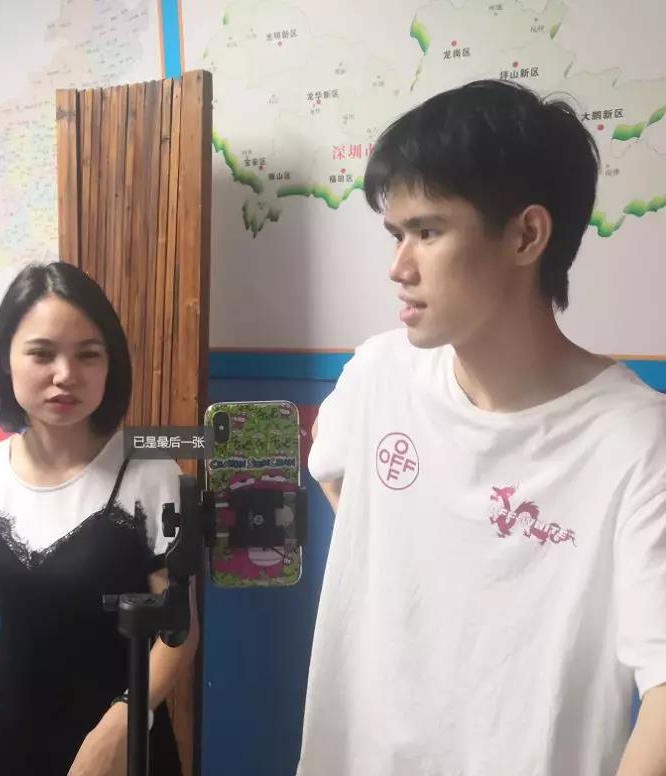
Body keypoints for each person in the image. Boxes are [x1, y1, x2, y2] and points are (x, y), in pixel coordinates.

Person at [298, 79, 666, 775]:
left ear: (527, 235)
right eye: (395, 235)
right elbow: (334, 468)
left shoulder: (637, 440)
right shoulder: (378, 374)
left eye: (428, 232)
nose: (398, 267)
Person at [0, 261, 197, 776]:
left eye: (88, 354)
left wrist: (121, 725)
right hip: (12, 744)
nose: (65, 375)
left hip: (127, 749)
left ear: (111, 365)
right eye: (41, 353)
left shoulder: (151, 474)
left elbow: (180, 630)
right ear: (6, 360)